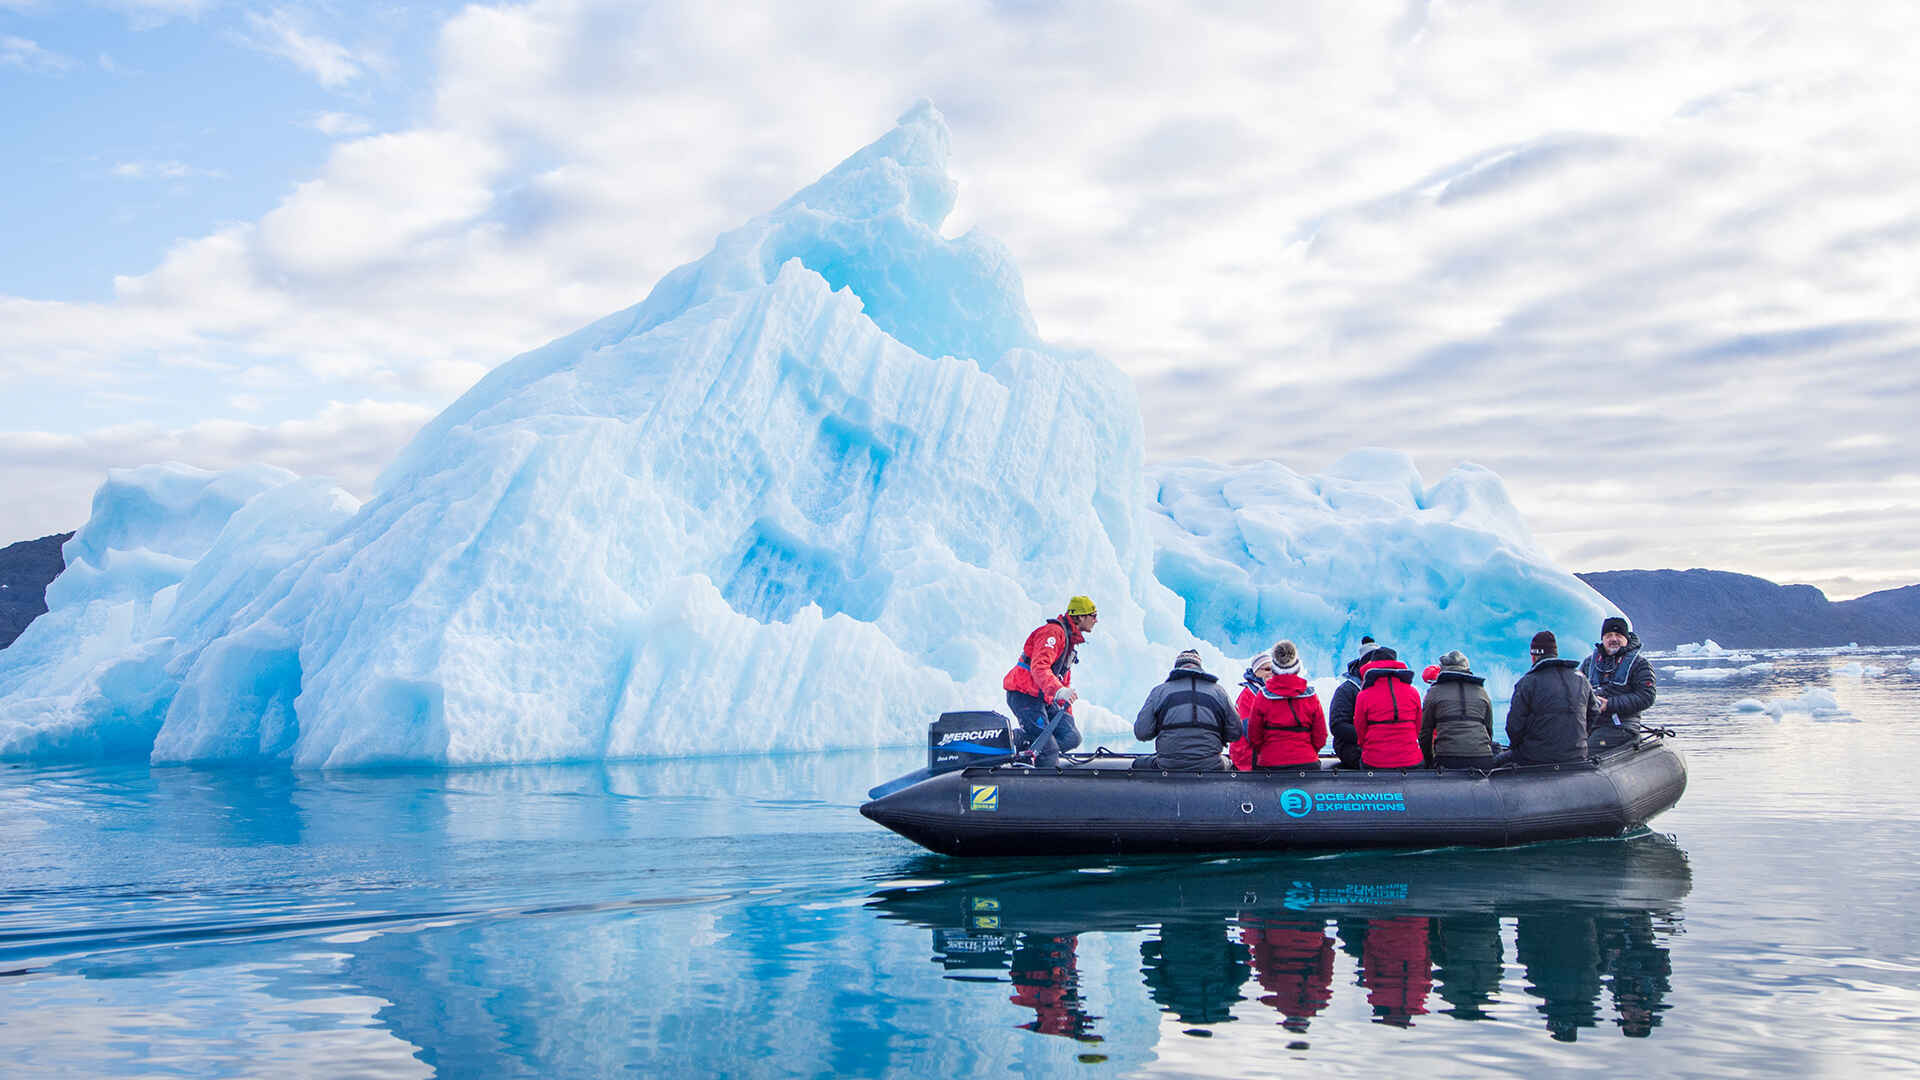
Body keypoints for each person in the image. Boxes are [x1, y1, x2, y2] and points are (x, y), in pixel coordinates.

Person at [1002, 595, 1097, 766]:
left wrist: (1065, 710)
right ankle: (1020, 743)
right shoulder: (1053, 633)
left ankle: (1030, 752)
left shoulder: (1069, 641)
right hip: (1024, 695)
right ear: (1080, 616)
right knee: (1049, 750)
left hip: (1043, 698)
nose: (1096, 620)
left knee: (1071, 737)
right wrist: (1058, 691)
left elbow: (1063, 682)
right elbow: (1039, 667)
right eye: (1093, 615)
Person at [1498, 631, 1598, 766]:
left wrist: (1519, 747)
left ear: (1533, 657)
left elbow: (1514, 727)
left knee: (1496, 762)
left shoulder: (1527, 682)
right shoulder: (1581, 679)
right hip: (1576, 755)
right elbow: (1594, 712)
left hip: (1536, 757)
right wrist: (1580, 740)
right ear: (1555, 653)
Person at [1133, 649, 1242, 771]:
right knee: (1227, 762)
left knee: (1137, 763)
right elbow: (1235, 732)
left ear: (1177, 667)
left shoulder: (1159, 692)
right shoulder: (1219, 692)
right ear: (1199, 667)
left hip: (1168, 765)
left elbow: (1142, 732)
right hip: (1212, 764)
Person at [1246, 640, 1329, 769]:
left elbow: (1254, 736)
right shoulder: (1310, 696)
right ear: (1297, 667)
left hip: (1270, 762)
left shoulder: (1263, 696)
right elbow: (1321, 735)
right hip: (1306, 761)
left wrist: (1266, 752)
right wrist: (1308, 752)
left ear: (1275, 668)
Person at [1581, 615, 1657, 752]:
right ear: (1603, 639)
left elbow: (1647, 696)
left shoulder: (1640, 664)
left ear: (1626, 639)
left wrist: (1609, 704)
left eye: (1618, 635)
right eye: (1608, 635)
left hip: (1621, 726)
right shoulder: (1589, 663)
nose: (1613, 639)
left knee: (1587, 752)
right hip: (1590, 725)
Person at [1419, 649, 1495, 770]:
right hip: (1482, 757)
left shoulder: (1434, 691)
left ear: (1443, 668)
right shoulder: (1482, 692)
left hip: (1447, 758)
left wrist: (1429, 761)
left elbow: (1425, 732)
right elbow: (1489, 729)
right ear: (1466, 668)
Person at [1353, 647, 1424, 769]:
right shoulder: (1413, 692)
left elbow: (1360, 729)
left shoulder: (1364, 695)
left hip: (1375, 760)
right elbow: (1418, 727)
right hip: (1411, 759)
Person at [1328, 635, 1380, 768]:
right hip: (1353, 748)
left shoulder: (1386, 687)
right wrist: (1369, 736)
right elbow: (1338, 725)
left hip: (1380, 747)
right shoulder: (1347, 690)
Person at [1229, 653, 1276, 771]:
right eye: (1267, 669)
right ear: (1256, 672)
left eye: (1274, 669)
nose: (1271, 673)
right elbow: (1251, 734)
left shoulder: (1269, 693)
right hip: (1248, 758)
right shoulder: (1248, 696)